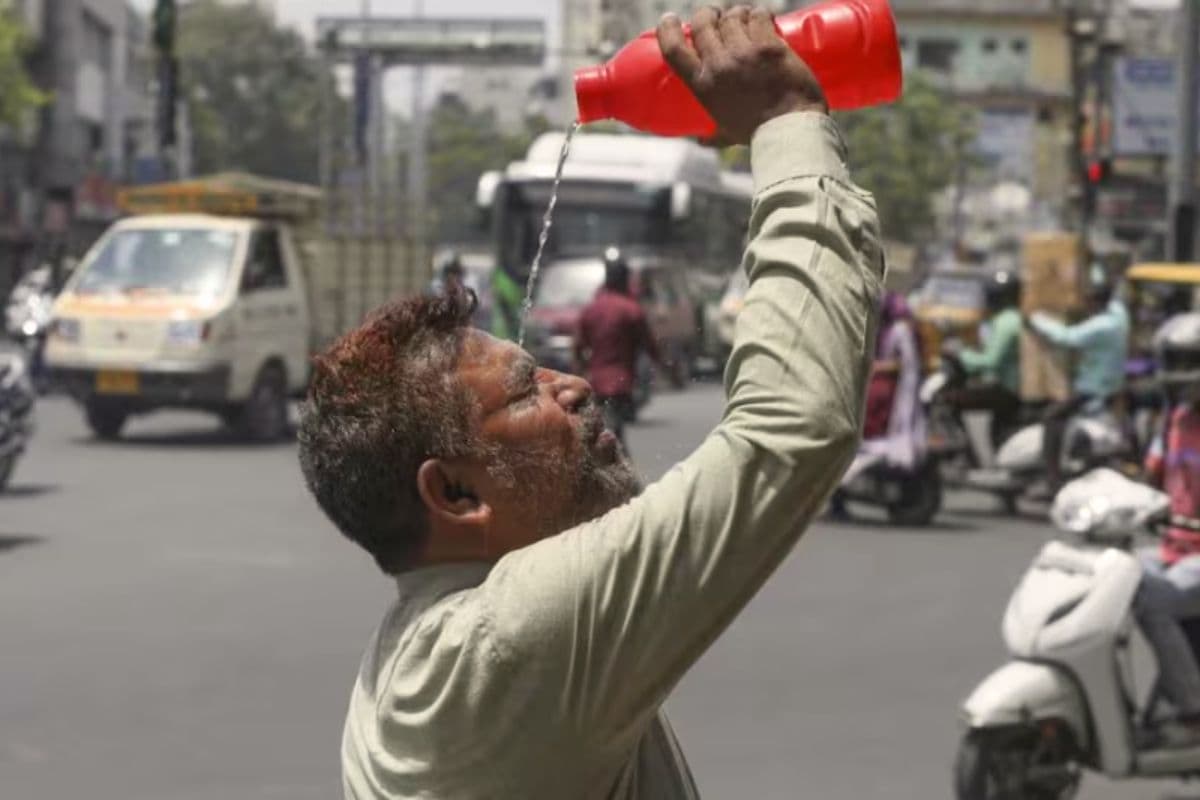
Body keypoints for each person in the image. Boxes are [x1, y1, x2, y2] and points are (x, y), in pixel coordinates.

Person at [298, 7, 882, 798]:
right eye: (525, 392)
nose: (573, 387)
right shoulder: (512, 641)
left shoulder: (426, 652)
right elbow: (792, 426)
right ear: (456, 493)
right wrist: (784, 121)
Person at [1135, 311, 1200, 747]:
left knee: (1153, 601)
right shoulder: (1175, 417)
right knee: (1104, 573)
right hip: (1173, 548)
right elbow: (1151, 480)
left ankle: (1192, 709)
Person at [1026, 265, 1130, 496]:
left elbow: (1066, 337)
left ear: (1096, 303)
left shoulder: (1102, 325)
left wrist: (1036, 318)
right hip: (1109, 387)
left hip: (1092, 390)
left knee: (1052, 418)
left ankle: (1052, 478)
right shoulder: (1119, 316)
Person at [832, 291, 924, 518]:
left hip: (888, 392)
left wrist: (874, 368)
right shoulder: (874, 329)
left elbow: (905, 364)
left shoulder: (899, 331)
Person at [573, 247, 662, 445]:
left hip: (595, 383)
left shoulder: (591, 309)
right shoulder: (631, 310)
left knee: (599, 435)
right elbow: (649, 344)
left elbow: (578, 346)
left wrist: (580, 372)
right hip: (621, 383)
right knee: (615, 437)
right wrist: (662, 365)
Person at [947, 270, 1023, 448]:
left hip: (1009, 388)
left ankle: (962, 449)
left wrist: (961, 354)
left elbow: (991, 361)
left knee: (950, 398)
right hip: (1009, 385)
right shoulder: (1010, 318)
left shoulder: (1006, 322)